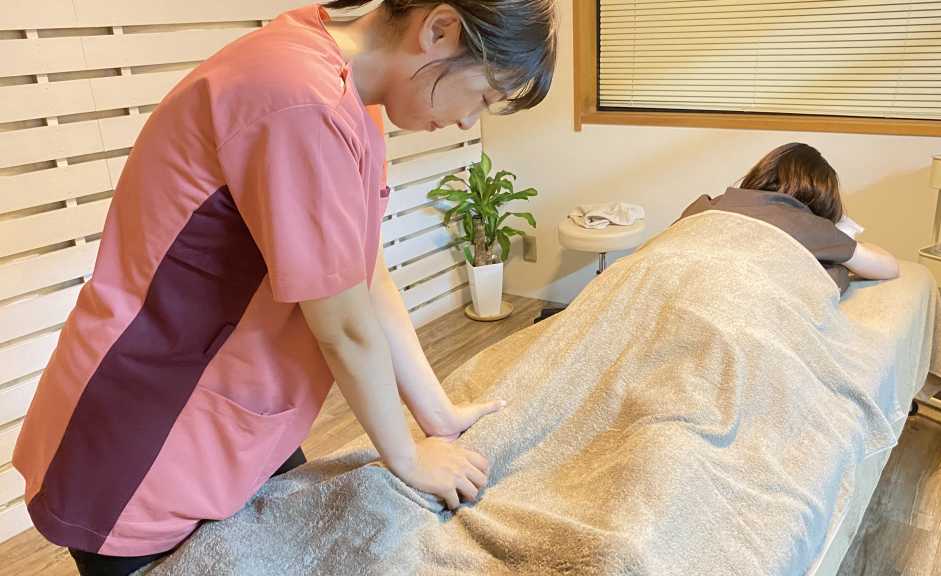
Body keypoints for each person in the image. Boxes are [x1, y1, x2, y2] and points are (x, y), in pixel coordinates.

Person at [12, 2, 557, 574]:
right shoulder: (300, 99)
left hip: (231, 422)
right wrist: (406, 457)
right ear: (440, 29)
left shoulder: (346, 95)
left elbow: (364, 275)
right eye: (484, 96)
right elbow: (344, 328)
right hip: (147, 436)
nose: (471, 121)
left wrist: (436, 415)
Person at [677, 143, 899, 293]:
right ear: (819, 196)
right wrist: (842, 242)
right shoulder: (809, 226)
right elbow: (888, 268)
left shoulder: (703, 206)